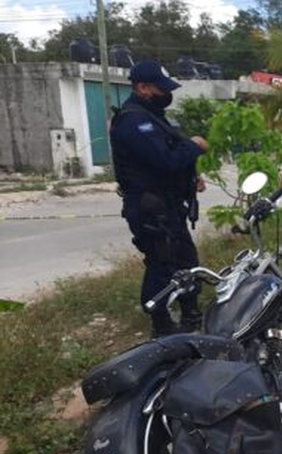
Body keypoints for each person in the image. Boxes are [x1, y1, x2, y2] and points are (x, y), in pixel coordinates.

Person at [109, 60, 208, 338]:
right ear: (142, 87)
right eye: (159, 88)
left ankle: (191, 315)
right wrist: (194, 146)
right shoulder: (133, 121)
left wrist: (190, 179)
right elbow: (164, 161)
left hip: (166, 204)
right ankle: (161, 324)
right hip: (149, 207)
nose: (165, 94)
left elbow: (164, 160)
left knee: (185, 260)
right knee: (162, 263)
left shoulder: (151, 116)